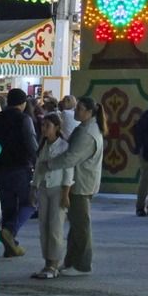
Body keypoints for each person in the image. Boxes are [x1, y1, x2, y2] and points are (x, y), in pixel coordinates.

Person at [34, 95, 102, 275]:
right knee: (75, 225)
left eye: (79, 108)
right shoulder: (85, 128)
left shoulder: (88, 133)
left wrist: (49, 165)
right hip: (78, 183)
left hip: (80, 184)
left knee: (80, 225)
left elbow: (71, 158)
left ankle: (81, 264)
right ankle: (72, 261)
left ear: (89, 112)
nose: (75, 111)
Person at [0, 88, 39, 258]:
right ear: (23, 103)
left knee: (8, 208)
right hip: (20, 168)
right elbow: (32, 145)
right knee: (29, 204)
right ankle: (10, 231)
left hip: (2, 169)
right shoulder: (24, 119)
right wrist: (38, 163)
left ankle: (11, 246)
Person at [31, 114, 71, 279]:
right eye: (43, 125)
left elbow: (68, 171)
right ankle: (47, 262)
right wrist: (33, 188)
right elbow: (38, 169)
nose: (44, 128)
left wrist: (66, 194)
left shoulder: (63, 147)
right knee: (44, 226)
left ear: (56, 127)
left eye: (48, 125)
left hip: (57, 189)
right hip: (44, 189)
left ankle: (54, 264)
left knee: (55, 227)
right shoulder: (43, 146)